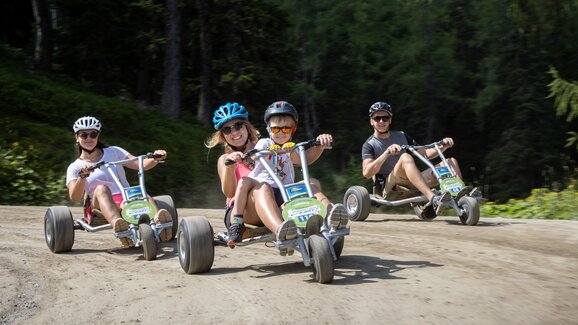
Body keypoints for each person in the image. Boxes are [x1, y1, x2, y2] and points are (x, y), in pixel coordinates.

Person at [227, 100, 348, 247]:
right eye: (276, 129)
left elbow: (301, 159)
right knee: (250, 182)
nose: (280, 133)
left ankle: (331, 216)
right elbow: (254, 155)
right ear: (268, 129)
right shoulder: (264, 143)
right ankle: (239, 224)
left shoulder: (292, 147)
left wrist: (320, 144)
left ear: (293, 130)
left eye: (285, 129)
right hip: (261, 192)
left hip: (284, 196)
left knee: (310, 184)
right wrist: (246, 156)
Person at [66, 116, 172, 247]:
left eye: (92, 134)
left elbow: (140, 164)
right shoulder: (75, 167)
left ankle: (159, 224)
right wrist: (82, 177)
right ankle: (121, 228)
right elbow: (74, 196)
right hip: (100, 204)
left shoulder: (114, 151)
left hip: (126, 198)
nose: (89, 139)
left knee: (140, 191)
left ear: (98, 135)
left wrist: (156, 158)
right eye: (84, 135)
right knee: (101, 188)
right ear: (77, 137)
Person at [361, 102, 468, 216]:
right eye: (377, 118)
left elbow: (425, 153)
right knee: (405, 157)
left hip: (413, 181)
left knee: (450, 162)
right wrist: (386, 153)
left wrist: (443, 146)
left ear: (390, 120)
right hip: (390, 186)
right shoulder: (369, 145)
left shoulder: (401, 136)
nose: (381, 121)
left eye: (385, 117)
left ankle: (461, 200)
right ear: (371, 121)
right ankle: (433, 199)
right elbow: (367, 173)